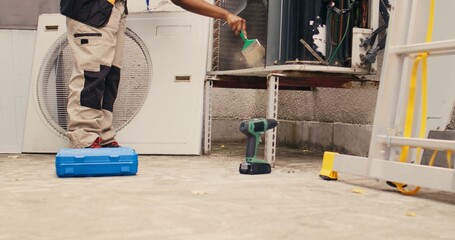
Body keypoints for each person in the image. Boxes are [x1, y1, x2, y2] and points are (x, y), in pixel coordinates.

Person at [60, 0, 247, 149]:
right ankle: (84, 138)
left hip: (113, 9)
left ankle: (103, 136)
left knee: (109, 76)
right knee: (92, 73)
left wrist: (225, 15)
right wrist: (225, 15)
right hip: (91, 8)